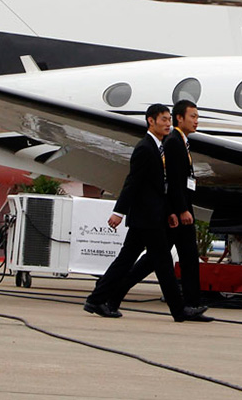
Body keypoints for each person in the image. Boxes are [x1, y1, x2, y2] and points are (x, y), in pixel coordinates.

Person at [84, 104, 206, 322]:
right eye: (164, 120)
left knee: (127, 260)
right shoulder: (145, 148)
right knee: (163, 265)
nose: (168, 124)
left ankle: (97, 299)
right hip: (147, 218)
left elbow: (162, 186)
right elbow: (133, 183)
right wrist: (118, 212)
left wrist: (169, 211)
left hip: (152, 217)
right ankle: (179, 311)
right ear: (151, 121)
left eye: (169, 120)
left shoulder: (158, 147)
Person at [162, 99, 210, 318]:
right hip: (178, 211)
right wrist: (181, 210)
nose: (196, 121)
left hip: (181, 208)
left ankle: (192, 304)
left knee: (187, 257)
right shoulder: (173, 141)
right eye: (192, 116)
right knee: (177, 257)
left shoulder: (182, 142)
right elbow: (174, 180)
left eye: (197, 117)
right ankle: (109, 292)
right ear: (179, 118)